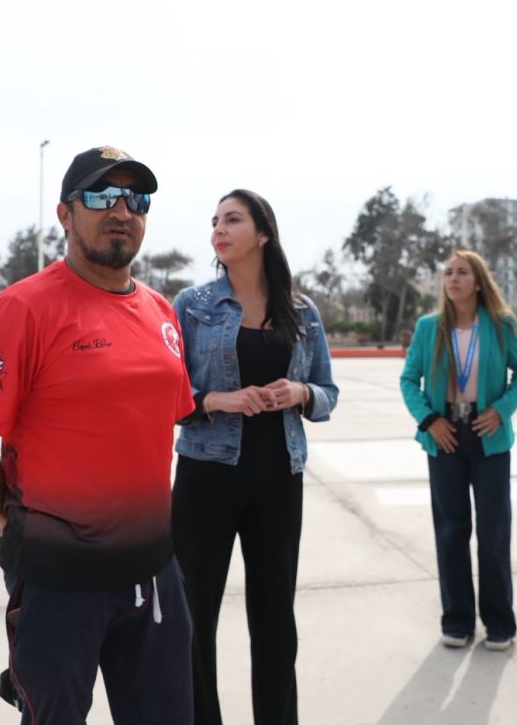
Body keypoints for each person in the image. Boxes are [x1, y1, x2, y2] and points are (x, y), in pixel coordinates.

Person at [0, 146, 196, 724]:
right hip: (58, 580)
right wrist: (10, 513)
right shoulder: (19, 310)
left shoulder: (161, 313)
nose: (121, 210)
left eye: (136, 199)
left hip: (154, 575)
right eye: (101, 196)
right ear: (65, 214)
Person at [172, 188, 338, 725]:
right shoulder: (192, 305)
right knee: (194, 619)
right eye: (215, 221)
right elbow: (166, 394)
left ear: (263, 234)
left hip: (279, 481)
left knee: (275, 622)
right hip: (206, 479)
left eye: (233, 220)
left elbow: (328, 392)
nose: (218, 230)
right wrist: (216, 400)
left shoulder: (302, 311)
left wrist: (301, 392)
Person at [399, 250, 517, 651]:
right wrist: (429, 420)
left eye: (462, 272)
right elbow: (409, 380)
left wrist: (500, 410)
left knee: (494, 532)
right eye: (448, 273)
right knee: (451, 530)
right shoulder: (428, 327)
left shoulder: (500, 324)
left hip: (487, 432)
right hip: (444, 435)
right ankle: (456, 621)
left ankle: (499, 623)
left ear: (478, 282)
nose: (453, 278)